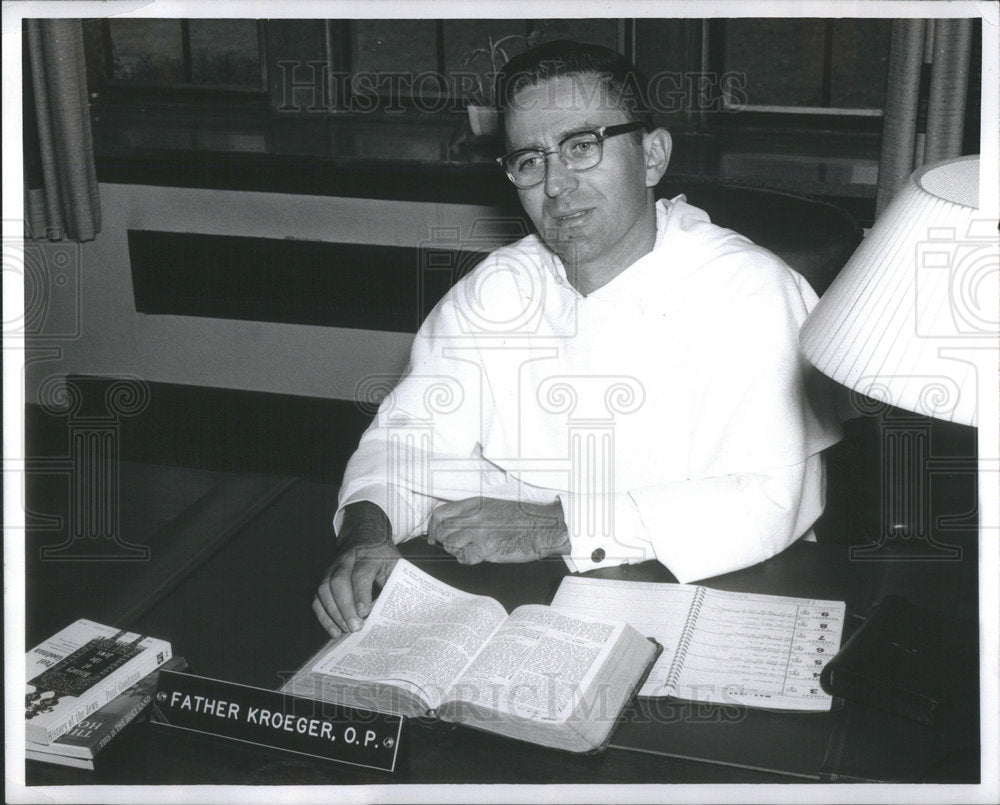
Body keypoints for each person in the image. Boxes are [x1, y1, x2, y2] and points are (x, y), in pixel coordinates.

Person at [313, 41, 842, 638]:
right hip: (520, 602)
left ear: (652, 156)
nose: (556, 185)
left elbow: (770, 503)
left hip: (713, 603)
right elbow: (405, 446)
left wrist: (556, 525)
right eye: (530, 160)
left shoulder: (753, 291)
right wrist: (365, 536)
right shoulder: (496, 290)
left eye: (582, 147)